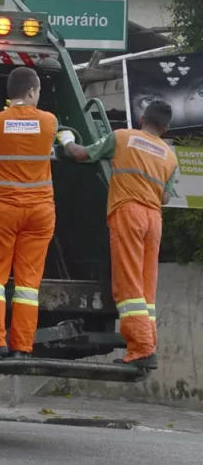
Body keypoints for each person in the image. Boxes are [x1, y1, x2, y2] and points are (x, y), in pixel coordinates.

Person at [0, 66, 73, 359]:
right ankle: (22, 347)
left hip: (5, 210)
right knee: (28, 284)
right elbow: (62, 139)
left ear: (10, 94)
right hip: (41, 212)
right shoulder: (49, 122)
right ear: (32, 92)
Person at [58, 100, 178, 369]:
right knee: (146, 287)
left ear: (142, 118)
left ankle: (141, 349)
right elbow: (167, 197)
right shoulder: (170, 155)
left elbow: (80, 154)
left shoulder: (122, 137)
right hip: (154, 220)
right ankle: (148, 344)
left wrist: (65, 139)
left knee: (128, 285)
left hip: (129, 213)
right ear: (166, 129)